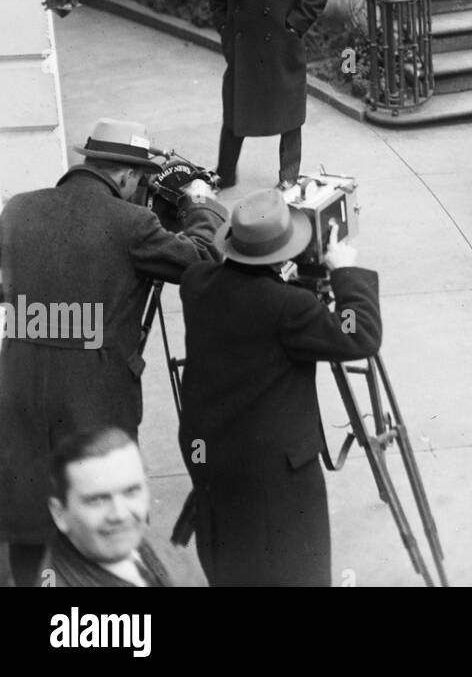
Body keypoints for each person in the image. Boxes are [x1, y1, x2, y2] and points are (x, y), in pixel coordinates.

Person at [0, 119, 224, 588]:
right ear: (124, 176)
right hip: (94, 395)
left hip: (18, 387)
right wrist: (201, 205)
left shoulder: (17, 209)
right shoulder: (132, 224)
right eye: (141, 183)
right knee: (101, 507)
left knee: (28, 505)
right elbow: (202, 260)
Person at [178, 189, 381, 587]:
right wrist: (344, 272)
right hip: (273, 473)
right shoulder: (291, 310)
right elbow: (360, 335)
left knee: (234, 558)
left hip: (211, 454)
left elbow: (247, 298)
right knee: (293, 566)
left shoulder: (197, 282)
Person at [207, 0, 329, 190]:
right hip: (243, 47)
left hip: (280, 47)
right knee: (235, 114)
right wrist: (225, 28)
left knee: (288, 116)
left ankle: (288, 178)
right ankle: (225, 173)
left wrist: (293, 26)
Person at [40, 428, 171, 587]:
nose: (120, 514)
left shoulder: (158, 548)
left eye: (131, 491)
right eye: (97, 500)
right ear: (59, 514)